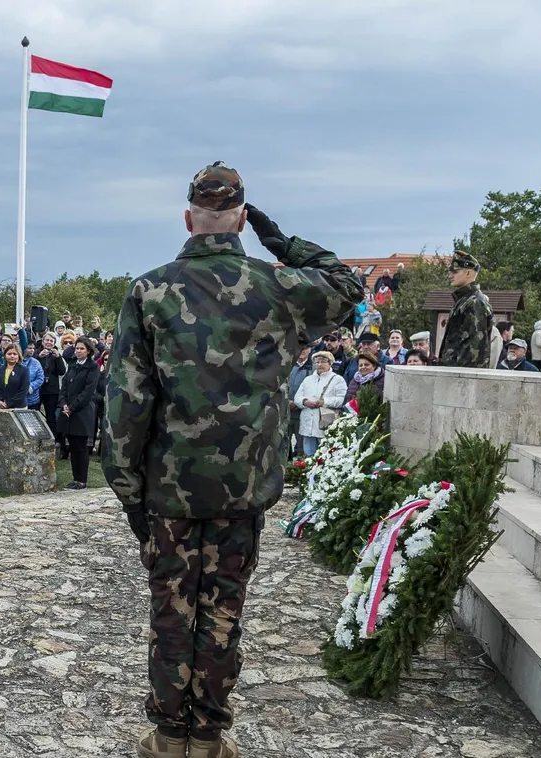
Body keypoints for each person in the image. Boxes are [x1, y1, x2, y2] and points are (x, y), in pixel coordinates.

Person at [103, 162, 363, 758]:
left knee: (172, 612)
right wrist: (279, 240)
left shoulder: (151, 290)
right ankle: (209, 738)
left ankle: (170, 737)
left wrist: (128, 492)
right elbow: (348, 285)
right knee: (221, 613)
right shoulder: (277, 285)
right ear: (243, 217)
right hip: (241, 492)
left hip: (170, 493)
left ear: (188, 217)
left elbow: (126, 403)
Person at [437, 250, 494, 368]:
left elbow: (472, 352)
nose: (450, 275)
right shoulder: (464, 301)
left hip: (463, 378)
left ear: (468, 273)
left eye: (455, 272)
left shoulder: (475, 303)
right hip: (454, 374)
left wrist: (459, 379)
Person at [61, 337, 100, 490]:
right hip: (68, 412)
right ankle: (75, 478)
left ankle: (82, 479)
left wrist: (72, 407)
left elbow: (88, 392)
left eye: (82, 349)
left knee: (81, 446)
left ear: (88, 350)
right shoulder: (72, 365)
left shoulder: (92, 367)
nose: (78, 351)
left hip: (82, 412)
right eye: (77, 348)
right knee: (72, 445)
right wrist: (63, 404)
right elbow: (64, 386)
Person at [295, 351, 349, 456]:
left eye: (323, 362)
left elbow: (342, 399)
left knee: (325, 456)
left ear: (330, 363)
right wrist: (305, 402)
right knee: (308, 455)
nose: (319, 364)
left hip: (325, 425)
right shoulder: (308, 380)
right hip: (308, 425)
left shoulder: (338, 380)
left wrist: (325, 402)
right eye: (317, 362)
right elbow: (297, 397)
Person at [287, 345, 313, 458]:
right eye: (301, 347)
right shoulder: (287, 364)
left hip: (303, 413)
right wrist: (287, 401)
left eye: (306, 348)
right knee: (283, 444)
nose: (302, 350)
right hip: (285, 412)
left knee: (302, 447)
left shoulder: (313, 368)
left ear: (310, 350)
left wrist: (300, 402)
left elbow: (314, 389)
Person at [0, 343, 29, 411]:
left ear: (19, 356)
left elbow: (24, 390)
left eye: (15, 354)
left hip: (18, 407)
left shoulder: (24, 370)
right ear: (5, 355)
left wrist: (8, 403)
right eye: (9, 354)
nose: (12, 356)